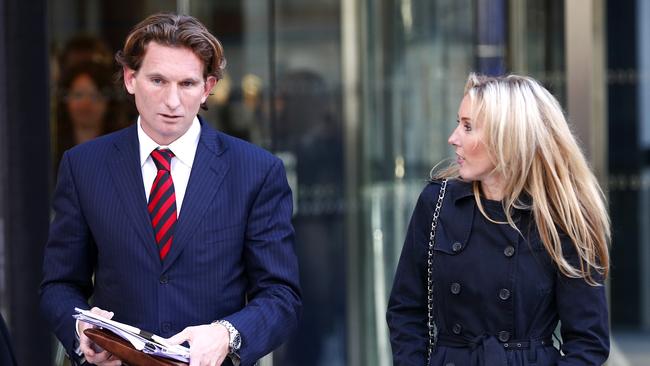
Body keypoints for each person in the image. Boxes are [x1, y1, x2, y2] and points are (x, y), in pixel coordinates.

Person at [40, 13, 301, 366]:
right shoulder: (84, 166)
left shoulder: (256, 171)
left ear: (208, 87)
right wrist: (82, 329)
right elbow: (59, 285)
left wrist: (227, 334)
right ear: (131, 79)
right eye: (158, 80)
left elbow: (281, 296)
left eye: (188, 84)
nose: (173, 101)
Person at [386, 73, 610, 365]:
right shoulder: (437, 202)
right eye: (458, 123)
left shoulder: (562, 215)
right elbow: (406, 310)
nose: (453, 138)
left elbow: (588, 343)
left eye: (468, 127)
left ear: (507, 137)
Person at [54, 61, 123, 168]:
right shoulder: (52, 147)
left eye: (95, 96)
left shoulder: (124, 149)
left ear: (108, 102)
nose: (85, 105)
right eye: (78, 95)